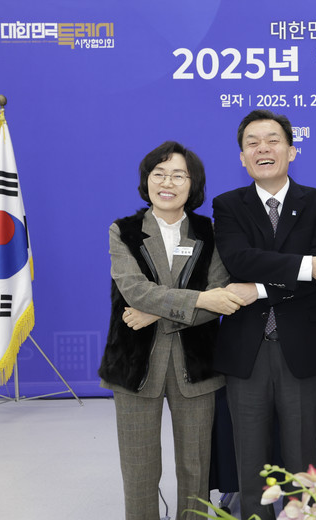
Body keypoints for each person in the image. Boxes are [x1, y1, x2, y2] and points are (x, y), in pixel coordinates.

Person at [99, 141, 244, 520]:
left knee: (196, 469)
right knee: (139, 469)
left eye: (179, 175)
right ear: (146, 180)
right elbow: (135, 290)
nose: (167, 182)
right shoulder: (124, 231)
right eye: (159, 174)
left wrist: (155, 314)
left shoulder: (210, 232)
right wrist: (197, 300)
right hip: (134, 364)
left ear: (192, 184)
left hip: (196, 366)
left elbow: (219, 296)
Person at [212, 109, 316, 520]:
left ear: (291, 150)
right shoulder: (228, 205)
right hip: (246, 349)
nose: (263, 149)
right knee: (250, 460)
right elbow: (239, 260)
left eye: (273, 140)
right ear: (242, 157)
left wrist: (257, 288)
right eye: (252, 143)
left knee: (303, 458)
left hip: (303, 347)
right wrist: (304, 266)